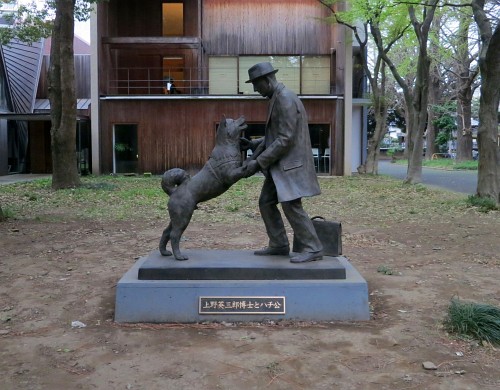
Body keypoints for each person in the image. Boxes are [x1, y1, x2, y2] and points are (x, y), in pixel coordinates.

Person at [241, 62, 323, 263]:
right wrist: (254, 143)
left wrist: (258, 162)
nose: (255, 89)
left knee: (291, 206)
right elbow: (276, 135)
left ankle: (313, 247)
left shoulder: (285, 99)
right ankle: (279, 244)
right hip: (280, 166)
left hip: (290, 165)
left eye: (257, 84)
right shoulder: (277, 97)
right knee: (266, 202)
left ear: (267, 80)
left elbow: (285, 140)